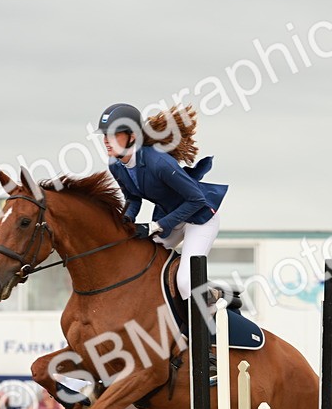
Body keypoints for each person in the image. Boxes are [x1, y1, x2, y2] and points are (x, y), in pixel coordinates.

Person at [98, 103, 238, 307]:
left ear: (132, 136)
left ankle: (215, 304)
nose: (105, 141)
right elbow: (133, 198)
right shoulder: (115, 165)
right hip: (171, 219)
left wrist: (156, 226)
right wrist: (126, 220)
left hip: (200, 219)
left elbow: (196, 199)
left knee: (185, 283)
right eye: (104, 135)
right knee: (139, 262)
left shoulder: (159, 162)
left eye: (112, 135)